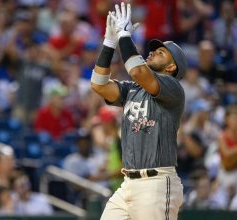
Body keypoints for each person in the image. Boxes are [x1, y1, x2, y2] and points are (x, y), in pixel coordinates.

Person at [91, 2, 186, 220]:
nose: (152, 51)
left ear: (171, 67)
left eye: (161, 52)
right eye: (153, 49)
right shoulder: (134, 88)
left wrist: (125, 36)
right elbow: (98, 84)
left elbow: (138, 71)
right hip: (128, 184)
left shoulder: (173, 88)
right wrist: (109, 43)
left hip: (157, 183)